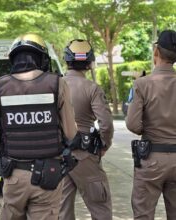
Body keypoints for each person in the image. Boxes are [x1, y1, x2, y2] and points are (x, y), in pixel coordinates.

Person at [0, 33, 77, 220]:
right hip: (48, 177)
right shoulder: (58, 84)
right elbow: (71, 133)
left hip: (14, 176)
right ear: (41, 58)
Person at [59, 39, 114, 220]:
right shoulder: (92, 88)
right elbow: (105, 123)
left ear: (67, 60)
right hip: (85, 156)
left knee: (62, 211)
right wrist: (104, 145)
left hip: (58, 156)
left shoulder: (53, 86)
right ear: (89, 63)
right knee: (100, 207)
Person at [126, 29, 176, 220]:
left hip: (151, 158)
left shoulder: (142, 84)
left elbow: (132, 124)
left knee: (143, 214)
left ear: (156, 52)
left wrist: (148, 128)